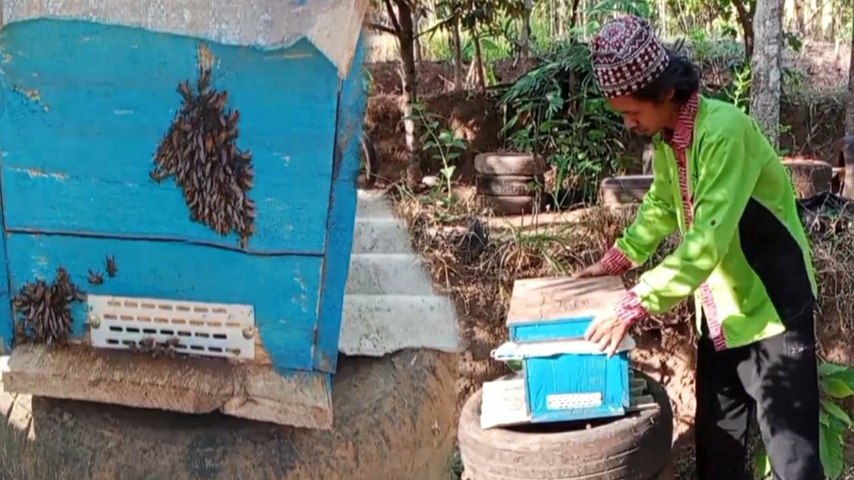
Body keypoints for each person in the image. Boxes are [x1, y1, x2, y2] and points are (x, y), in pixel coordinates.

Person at [573, 15, 824, 480]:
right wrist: (617, 257)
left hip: (772, 312)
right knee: (718, 452)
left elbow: (705, 244)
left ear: (665, 92)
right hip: (722, 316)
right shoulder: (671, 140)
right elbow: (661, 207)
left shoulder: (724, 132)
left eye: (633, 114)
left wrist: (633, 303)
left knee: (793, 458)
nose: (629, 125)